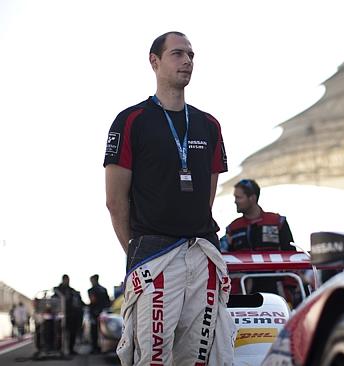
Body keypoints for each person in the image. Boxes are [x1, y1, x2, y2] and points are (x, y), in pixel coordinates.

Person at [104, 31, 235, 365]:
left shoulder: (209, 125)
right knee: (154, 358)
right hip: (155, 257)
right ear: (155, 61)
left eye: (191, 55)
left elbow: (207, 194)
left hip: (202, 251)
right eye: (178, 54)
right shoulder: (131, 120)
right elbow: (115, 201)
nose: (188, 61)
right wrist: (140, 252)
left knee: (200, 357)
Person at [225, 179, 295, 251]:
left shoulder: (277, 222)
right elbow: (225, 259)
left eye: (239, 197)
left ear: (252, 198)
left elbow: (291, 255)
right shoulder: (232, 228)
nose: (235, 201)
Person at [53, 275, 83, 355]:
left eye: (68, 280)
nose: (67, 281)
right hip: (61, 315)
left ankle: (70, 349)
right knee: (59, 332)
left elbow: (77, 301)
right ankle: (59, 349)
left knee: (72, 332)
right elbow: (54, 301)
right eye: (66, 280)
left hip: (71, 315)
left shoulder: (71, 291)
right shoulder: (57, 290)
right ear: (63, 280)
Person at [87, 274, 111, 354]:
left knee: (94, 332)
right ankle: (103, 348)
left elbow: (92, 301)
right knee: (103, 331)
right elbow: (108, 302)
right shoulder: (103, 289)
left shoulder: (91, 290)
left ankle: (95, 348)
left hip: (95, 313)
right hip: (103, 313)